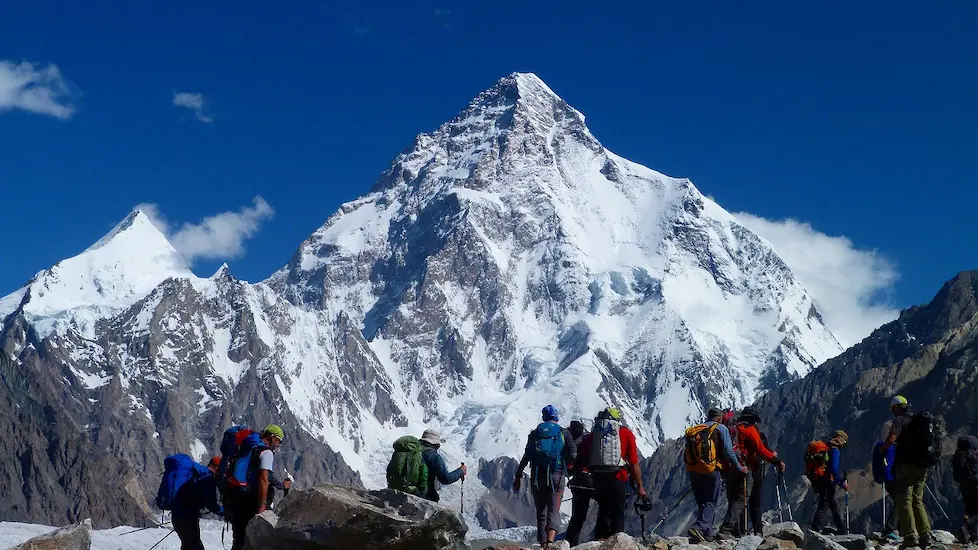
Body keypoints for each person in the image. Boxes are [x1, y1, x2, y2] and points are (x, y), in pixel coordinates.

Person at [574, 407, 647, 540]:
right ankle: (618, 542)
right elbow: (634, 463)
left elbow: (582, 457)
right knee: (618, 514)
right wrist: (640, 486)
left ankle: (600, 542)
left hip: (598, 478)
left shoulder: (595, 435)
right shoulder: (626, 434)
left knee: (603, 512)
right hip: (619, 477)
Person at [513, 405, 578, 548]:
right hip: (557, 474)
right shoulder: (563, 432)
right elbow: (573, 454)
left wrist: (518, 475)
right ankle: (550, 542)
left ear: (544, 417)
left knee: (541, 511)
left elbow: (526, 456)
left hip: (537, 476)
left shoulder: (535, 434)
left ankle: (543, 545)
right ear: (556, 417)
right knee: (553, 509)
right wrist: (567, 466)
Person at [718, 407, 786, 540]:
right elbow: (761, 450)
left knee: (733, 499)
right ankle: (726, 529)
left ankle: (736, 531)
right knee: (741, 499)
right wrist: (777, 461)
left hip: (728, 468)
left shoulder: (731, 428)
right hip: (744, 468)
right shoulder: (749, 429)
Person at [685, 408, 748, 543]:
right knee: (711, 501)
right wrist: (739, 467)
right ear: (719, 418)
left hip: (693, 470)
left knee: (702, 501)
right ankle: (699, 527)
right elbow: (729, 451)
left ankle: (707, 534)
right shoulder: (720, 428)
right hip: (711, 469)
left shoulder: (696, 429)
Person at [880, 396, 932, 548]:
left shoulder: (900, 420)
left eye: (893, 409)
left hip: (907, 464)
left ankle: (910, 535)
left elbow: (891, 438)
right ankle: (925, 534)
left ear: (896, 407)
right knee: (917, 499)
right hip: (922, 465)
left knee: (904, 499)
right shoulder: (917, 420)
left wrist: (883, 449)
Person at [226, 424, 284, 550]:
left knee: (239, 540)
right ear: (272, 437)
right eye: (279, 440)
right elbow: (264, 478)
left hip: (235, 497)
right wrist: (262, 505)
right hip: (251, 500)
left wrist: (279, 484)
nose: (278, 445)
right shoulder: (266, 452)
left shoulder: (247, 448)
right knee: (253, 542)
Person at [172, 456, 223, 550]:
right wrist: (223, 510)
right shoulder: (208, 479)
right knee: (195, 547)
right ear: (217, 467)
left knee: (188, 545)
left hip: (177, 515)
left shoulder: (196, 474)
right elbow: (211, 504)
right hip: (188, 517)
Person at [810, 430, 850, 534]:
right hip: (828, 482)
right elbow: (833, 468)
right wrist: (842, 483)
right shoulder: (835, 450)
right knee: (823, 506)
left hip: (820, 480)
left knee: (833, 505)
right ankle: (815, 529)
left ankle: (841, 528)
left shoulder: (826, 448)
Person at [565, 420, 595, 547]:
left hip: (579, 482)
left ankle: (571, 544)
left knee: (577, 517)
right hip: (596, 480)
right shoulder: (589, 440)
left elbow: (570, 467)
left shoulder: (572, 446)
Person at [419, 429, 467, 502]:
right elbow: (446, 479)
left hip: (403, 492)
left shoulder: (412, 451)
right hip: (424, 497)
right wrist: (461, 471)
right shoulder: (434, 457)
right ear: (436, 445)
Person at [952, 435, 978, 544]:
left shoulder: (958, 455)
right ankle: (966, 526)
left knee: (969, 509)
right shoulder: (975, 455)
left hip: (964, 485)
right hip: (976, 484)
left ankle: (972, 536)